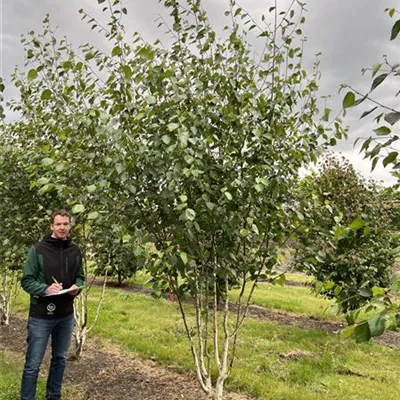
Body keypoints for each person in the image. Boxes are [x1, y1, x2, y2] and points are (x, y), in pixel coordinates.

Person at [20, 209, 85, 400]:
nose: (62, 227)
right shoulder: (38, 250)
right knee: (33, 364)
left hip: (65, 315)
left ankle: (53, 395)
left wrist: (77, 287)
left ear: (70, 226)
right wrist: (45, 289)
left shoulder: (75, 251)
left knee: (60, 359)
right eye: (58, 224)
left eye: (66, 224)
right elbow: (26, 280)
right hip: (41, 316)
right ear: (51, 226)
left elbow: (80, 276)